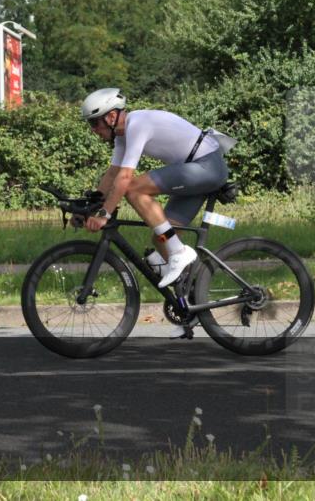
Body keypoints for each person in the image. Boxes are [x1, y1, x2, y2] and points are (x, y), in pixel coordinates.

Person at [79, 88, 233, 338]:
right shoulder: (122, 137)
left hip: (206, 166)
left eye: (94, 123)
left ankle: (179, 254)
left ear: (111, 117)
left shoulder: (137, 124)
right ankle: (191, 307)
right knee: (162, 237)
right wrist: (90, 204)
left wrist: (105, 214)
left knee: (134, 189)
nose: (93, 130)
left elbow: (125, 179)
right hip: (192, 170)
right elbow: (113, 173)